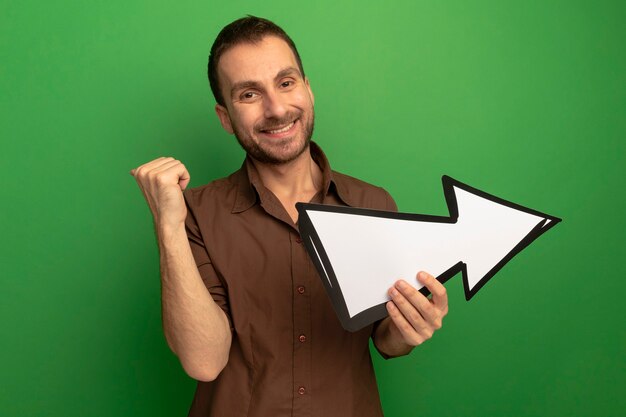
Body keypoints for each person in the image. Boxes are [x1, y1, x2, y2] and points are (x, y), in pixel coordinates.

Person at [130, 16, 448, 417]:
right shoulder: (196, 213)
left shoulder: (374, 203)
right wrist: (167, 225)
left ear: (308, 89)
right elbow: (204, 361)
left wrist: (410, 330)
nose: (277, 108)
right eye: (248, 94)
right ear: (225, 117)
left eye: (286, 82)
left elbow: (385, 341)